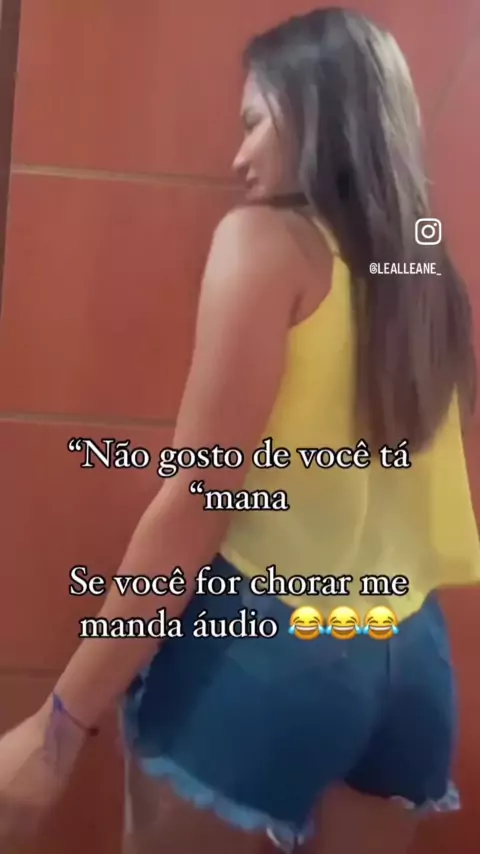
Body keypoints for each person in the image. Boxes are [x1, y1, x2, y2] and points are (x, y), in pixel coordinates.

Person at [0, 7, 479, 854]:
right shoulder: (425, 274)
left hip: (271, 642)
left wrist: (60, 724)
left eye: (254, 122)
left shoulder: (267, 244)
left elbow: (200, 494)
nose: (238, 158)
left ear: (316, 109)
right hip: (409, 654)